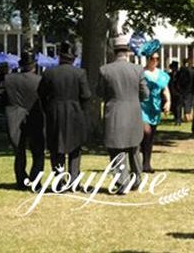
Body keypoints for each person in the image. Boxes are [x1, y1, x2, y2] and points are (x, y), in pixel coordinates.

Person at [97, 36, 149, 194]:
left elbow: (99, 92)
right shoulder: (138, 69)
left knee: (116, 149)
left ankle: (122, 183)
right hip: (133, 112)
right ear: (127, 52)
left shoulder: (105, 70)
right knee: (134, 148)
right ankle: (137, 179)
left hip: (114, 112)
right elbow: (145, 94)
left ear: (114, 52)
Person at [38, 41, 91, 182]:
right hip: (75, 112)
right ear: (72, 58)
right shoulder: (80, 73)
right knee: (75, 148)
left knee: (56, 147)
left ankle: (60, 180)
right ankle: (74, 179)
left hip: (54, 112)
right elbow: (86, 95)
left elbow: (41, 94)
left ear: (60, 57)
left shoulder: (49, 73)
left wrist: (48, 108)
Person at [2, 50, 45, 189]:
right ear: (34, 66)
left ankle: (21, 180)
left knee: (19, 152)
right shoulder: (39, 80)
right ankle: (35, 179)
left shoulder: (9, 79)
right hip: (35, 117)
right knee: (38, 151)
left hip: (15, 116)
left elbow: (3, 99)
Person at [139, 39, 171, 173]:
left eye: (157, 59)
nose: (155, 61)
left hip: (155, 107)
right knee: (146, 133)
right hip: (142, 107)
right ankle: (140, 162)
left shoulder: (162, 75)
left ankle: (147, 163)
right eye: (152, 58)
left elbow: (165, 89)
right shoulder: (141, 73)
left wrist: (168, 102)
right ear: (148, 59)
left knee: (151, 137)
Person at [176, 59, 194, 125]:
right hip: (189, 91)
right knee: (188, 104)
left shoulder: (180, 71)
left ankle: (178, 120)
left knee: (179, 105)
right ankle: (186, 116)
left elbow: (177, 81)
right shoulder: (191, 71)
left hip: (181, 90)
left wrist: (177, 89)